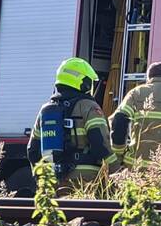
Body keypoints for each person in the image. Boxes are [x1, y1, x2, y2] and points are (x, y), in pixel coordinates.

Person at [28, 57, 117, 191]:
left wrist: (42, 179)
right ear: (83, 82)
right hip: (85, 181)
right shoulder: (89, 107)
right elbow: (101, 146)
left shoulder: (46, 110)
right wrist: (117, 172)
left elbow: (32, 150)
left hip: (52, 180)